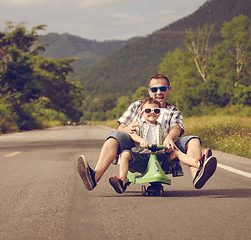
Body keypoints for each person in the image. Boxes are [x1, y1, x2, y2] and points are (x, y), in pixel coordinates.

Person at [77, 74, 217, 191]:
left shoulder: (174, 112)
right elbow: (122, 127)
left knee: (194, 139)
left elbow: (176, 128)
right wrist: (128, 130)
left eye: (162, 88)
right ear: (150, 91)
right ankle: (94, 177)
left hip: (164, 153)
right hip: (138, 153)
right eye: (155, 89)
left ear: (169, 89)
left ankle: (198, 173)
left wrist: (169, 137)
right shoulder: (137, 106)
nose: (159, 92)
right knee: (115, 135)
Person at [108, 97, 216, 194]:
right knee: (125, 154)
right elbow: (133, 134)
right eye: (148, 110)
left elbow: (165, 139)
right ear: (142, 113)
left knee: (176, 152)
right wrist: (141, 141)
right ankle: (122, 181)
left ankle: (199, 165)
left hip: (159, 157)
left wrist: (168, 147)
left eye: (156, 110)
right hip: (141, 157)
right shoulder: (139, 124)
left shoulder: (162, 128)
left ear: (159, 113)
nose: (152, 113)